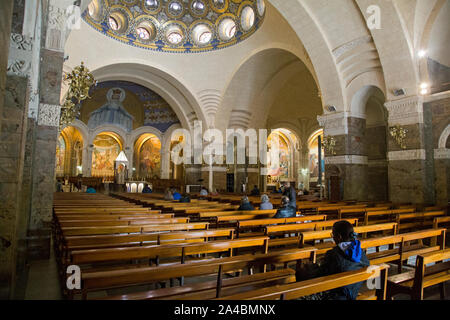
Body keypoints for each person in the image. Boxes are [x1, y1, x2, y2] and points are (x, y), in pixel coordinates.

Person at [296, 220, 370, 300]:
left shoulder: (333, 254)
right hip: (352, 293)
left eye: (333, 235)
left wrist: (310, 266)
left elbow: (320, 276)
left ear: (339, 237)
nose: (333, 237)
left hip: (336, 296)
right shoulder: (361, 253)